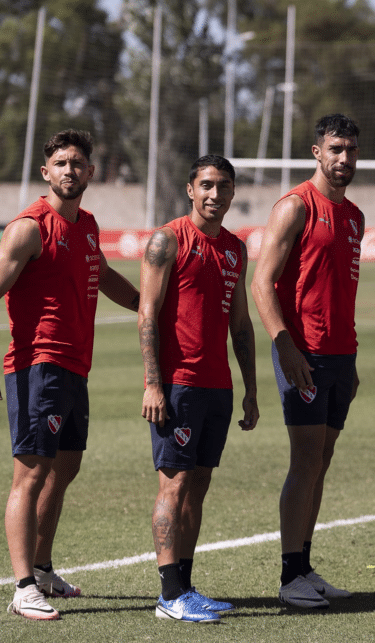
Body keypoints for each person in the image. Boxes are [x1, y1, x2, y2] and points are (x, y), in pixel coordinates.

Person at [0, 130, 140, 621]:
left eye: (78, 163)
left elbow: (103, 274)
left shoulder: (87, 226)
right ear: (47, 172)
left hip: (75, 367)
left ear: (90, 172)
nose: (70, 170)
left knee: (64, 468)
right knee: (30, 474)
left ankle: (43, 568)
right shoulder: (29, 228)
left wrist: (144, 303)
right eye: (61, 163)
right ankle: (24, 585)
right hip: (36, 365)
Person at [139, 154, 260, 623]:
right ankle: (169, 596)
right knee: (175, 483)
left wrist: (250, 390)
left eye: (224, 186)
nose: (215, 194)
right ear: (190, 189)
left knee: (200, 485)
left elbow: (241, 325)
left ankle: (185, 586)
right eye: (206, 185)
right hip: (177, 385)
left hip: (218, 387)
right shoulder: (167, 240)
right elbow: (147, 313)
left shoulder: (235, 248)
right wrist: (153, 382)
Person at [250, 113, 363, 610]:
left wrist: (352, 357)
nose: (343, 159)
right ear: (316, 152)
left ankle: (305, 564)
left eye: (350, 150)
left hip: (340, 355)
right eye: (335, 149)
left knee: (323, 459)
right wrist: (284, 344)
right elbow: (262, 282)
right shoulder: (295, 206)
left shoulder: (354, 216)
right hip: (302, 352)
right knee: (305, 459)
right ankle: (288, 573)